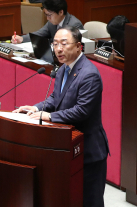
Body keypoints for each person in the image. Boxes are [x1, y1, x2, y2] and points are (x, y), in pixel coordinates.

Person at [14, 26, 109, 207]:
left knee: (90, 201)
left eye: (64, 44)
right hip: (67, 147)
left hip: (87, 151)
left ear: (78, 47)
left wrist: (49, 116)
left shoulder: (89, 75)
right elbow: (55, 98)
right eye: (55, 44)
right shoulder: (63, 68)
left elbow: (82, 111)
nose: (58, 49)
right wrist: (35, 108)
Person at [11, 0, 83, 44]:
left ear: (61, 12)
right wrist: (21, 38)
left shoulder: (75, 25)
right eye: (46, 14)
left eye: (49, 15)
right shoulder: (51, 23)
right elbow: (38, 34)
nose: (47, 18)